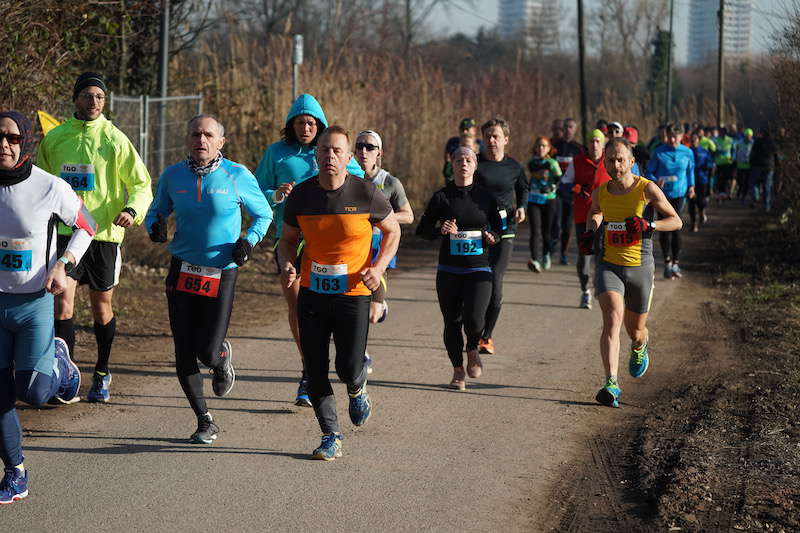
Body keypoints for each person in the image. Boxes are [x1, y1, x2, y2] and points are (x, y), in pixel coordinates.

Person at [146, 115, 272, 444]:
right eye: (195, 134)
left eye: (208, 135)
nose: (200, 140)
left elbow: (264, 213)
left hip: (221, 271)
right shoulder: (173, 175)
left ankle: (221, 359)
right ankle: (204, 420)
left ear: (220, 143)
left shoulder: (237, 176)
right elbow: (156, 209)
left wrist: (249, 240)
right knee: (183, 350)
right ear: (187, 139)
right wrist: (155, 225)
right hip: (183, 269)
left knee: (207, 350)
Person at [279, 126, 400, 461]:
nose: (329, 156)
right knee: (315, 368)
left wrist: (377, 269)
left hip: (353, 293)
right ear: (315, 155)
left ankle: (357, 387)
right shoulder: (301, 196)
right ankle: (330, 435)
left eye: (336, 151)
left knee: (347, 367)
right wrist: (288, 263)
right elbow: (287, 241)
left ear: (348, 157)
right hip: (312, 293)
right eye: (323, 150)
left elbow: (392, 231)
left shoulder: (366, 193)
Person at [36, 72, 153, 403]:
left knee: (102, 307)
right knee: (62, 302)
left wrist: (132, 210)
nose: (94, 102)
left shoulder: (115, 139)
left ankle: (102, 372)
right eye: (87, 96)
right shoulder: (55, 138)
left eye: (100, 97)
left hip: (102, 235)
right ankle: (64, 375)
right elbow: (41, 182)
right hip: (64, 233)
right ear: (76, 98)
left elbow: (142, 184)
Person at [0, 111, 97, 504]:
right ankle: (15, 472)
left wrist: (63, 263)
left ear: (25, 142)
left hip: (34, 304)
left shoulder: (47, 186)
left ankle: (58, 361)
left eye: (11, 137)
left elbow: (87, 224)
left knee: (35, 393)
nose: (3, 144)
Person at [254, 93, 364, 408]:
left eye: (312, 123)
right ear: (292, 124)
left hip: (329, 241)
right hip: (289, 236)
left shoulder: (329, 151)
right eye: (301, 122)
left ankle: (342, 357)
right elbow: (255, 189)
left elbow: (357, 181)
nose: (306, 128)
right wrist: (275, 194)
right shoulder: (276, 153)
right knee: (297, 304)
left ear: (320, 125)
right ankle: (309, 369)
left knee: (331, 307)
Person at [580, 138, 682, 408]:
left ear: (632, 161)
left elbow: (676, 220)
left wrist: (648, 224)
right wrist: (591, 231)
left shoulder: (646, 188)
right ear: (605, 161)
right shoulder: (601, 192)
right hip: (609, 263)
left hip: (640, 266)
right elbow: (596, 212)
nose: (616, 164)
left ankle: (639, 346)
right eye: (611, 159)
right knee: (612, 318)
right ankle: (611, 383)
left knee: (635, 330)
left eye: (621, 159)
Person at [417, 147, 502, 391]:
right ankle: (457, 370)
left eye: (468, 160)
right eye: (458, 160)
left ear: (475, 165)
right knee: (451, 322)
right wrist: (440, 230)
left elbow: (498, 227)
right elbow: (423, 229)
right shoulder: (442, 197)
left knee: (475, 320)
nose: (463, 164)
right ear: (451, 165)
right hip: (449, 270)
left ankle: (473, 347)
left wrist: (492, 236)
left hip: (479, 269)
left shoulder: (486, 197)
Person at [354, 130, 413, 375]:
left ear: (379, 153)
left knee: (372, 314)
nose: (364, 152)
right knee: (352, 309)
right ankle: (362, 355)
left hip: (379, 255)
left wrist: (380, 219)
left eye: (370, 147)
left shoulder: (389, 182)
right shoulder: (346, 179)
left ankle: (381, 308)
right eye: (360, 146)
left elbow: (408, 216)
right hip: (352, 253)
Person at [474, 118, 528, 355]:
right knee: (476, 281)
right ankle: (473, 329)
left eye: (495, 136)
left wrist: (522, 206)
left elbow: (524, 188)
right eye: (487, 136)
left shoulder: (514, 167)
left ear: (506, 139)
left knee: (495, 280)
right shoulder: (475, 164)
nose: (491, 140)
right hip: (477, 230)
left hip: (505, 230)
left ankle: (486, 337)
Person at [646, 124, 695, 280]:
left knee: (677, 227)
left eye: (676, 136)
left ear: (681, 136)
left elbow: (690, 171)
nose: (673, 140)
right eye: (670, 136)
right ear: (666, 136)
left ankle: (675, 262)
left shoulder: (687, 152)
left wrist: (692, 186)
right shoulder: (659, 152)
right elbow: (648, 171)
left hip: (680, 194)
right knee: (664, 227)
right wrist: (655, 180)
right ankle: (667, 261)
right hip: (662, 196)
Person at [568, 129, 610, 309]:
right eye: (591, 141)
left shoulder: (610, 161)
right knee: (585, 253)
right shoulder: (577, 162)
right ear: (587, 144)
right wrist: (578, 188)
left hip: (606, 214)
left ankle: (601, 287)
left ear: (603, 144)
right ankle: (585, 290)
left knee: (602, 252)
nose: (594, 145)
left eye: (597, 141)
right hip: (583, 215)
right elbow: (563, 185)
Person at [526, 136, 562, 272]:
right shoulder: (531, 162)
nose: (541, 148)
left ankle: (546, 255)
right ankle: (535, 260)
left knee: (547, 232)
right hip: (533, 200)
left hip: (549, 200)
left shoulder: (552, 163)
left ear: (549, 148)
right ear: (535, 148)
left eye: (544, 146)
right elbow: (532, 172)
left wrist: (552, 187)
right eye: (539, 146)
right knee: (535, 231)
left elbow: (560, 179)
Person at [552, 118, 584, 265]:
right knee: (555, 223)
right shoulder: (554, 146)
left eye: (571, 127)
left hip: (571, 192)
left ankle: (563, 253)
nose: (568, 129)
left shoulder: (578, 148)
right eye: (566, 127)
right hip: (554, 191)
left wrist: (578, 188)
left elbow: (583, 171)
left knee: (567, 225)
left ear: (575, 129)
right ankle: (551, 244)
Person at [443, 118, 482, 183]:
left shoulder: (481, 145)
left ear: (474, 130)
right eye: (462, 130)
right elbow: (447, 171)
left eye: (467, 129)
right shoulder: (453, 143)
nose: (464, 132)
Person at [689, 132, 714, 232]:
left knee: (701, 201)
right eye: (692, 140)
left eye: (695, 139)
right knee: (691, 203)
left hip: (702, 180)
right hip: (690, 181)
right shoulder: (687, 152)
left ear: (698, 141)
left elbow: (710, 163)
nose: (694, 141)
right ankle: (693, 223)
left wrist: (706, 167)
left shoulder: (704, 151)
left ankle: (702, 212)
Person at [749, 128, 778, 212]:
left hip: (757, 166)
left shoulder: (757, 142)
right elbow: (776, 155)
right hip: (769, 167)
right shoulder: (773, 143)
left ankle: (756, 195)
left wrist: (751, 163)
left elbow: (752, 153)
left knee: (754, 183)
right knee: (767, 187)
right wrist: (777, 165)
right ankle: (766, 206)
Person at [712, 126, 735, 200]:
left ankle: (726, 192)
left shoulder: (730, 140)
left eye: (723, 132)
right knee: (719, 178)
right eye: (720, 132)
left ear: (725, 133)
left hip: (727, 162)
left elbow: (733, 150)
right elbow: (713, 150)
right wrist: (716, 153)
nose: (721, 133)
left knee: (727, 178)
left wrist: (733, 158)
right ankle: (719, 192)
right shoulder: (715, 140)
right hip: (718, 162)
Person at [734, 128, 754, 200]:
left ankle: (744, 194)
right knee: (740, 180)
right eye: (747, 135)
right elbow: (735, 151)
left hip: (749, 165)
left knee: (746, 181)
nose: (748, 137)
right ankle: (740, 191)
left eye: (749, 135)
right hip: (740, 165)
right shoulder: (739, 142)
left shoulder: (753, 143)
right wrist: (735, 160)